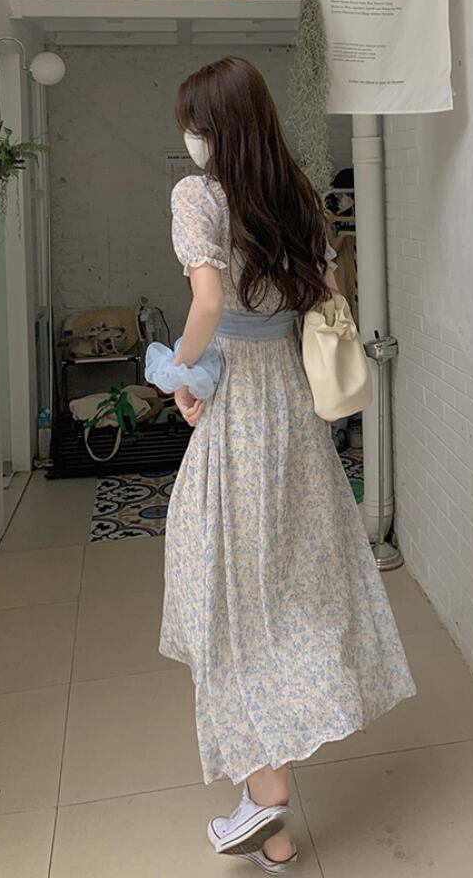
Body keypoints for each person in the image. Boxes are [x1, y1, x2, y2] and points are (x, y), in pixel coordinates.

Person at [159, 56, 416, 874]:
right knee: (285, 589)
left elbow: (207, 302)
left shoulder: (197, 196)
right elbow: (321, 294)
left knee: (227, 596)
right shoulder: (296, 193)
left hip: (236, 407)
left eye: (193, 125)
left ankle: (266, 795)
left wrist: (179, 373)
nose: (188, 139)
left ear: (213, 129)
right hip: (295, 412)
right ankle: (269, 827)